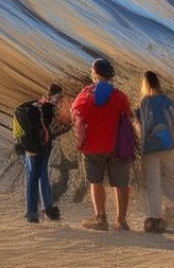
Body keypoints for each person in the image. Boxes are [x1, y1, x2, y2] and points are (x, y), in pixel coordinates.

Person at [71, 57, 133, 231]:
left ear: (96, 74)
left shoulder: (85, 94)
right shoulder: (119, 96)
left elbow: (75, 113)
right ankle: (121, 221)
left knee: (96, 182)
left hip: (92, 147)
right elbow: (127, 115)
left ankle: (101, 219)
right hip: (116, 146)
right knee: (121, 183)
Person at [137, 70, 174, 233]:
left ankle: (154, 219)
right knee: (171, 179)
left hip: (150, 149)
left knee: (152, 183)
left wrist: (141, 148)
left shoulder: (143, 103)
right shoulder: (167, 100)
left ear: (144, 84)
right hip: (170, 146)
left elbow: (141, 128)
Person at [19, 83, 68, 224]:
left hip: (29, 145)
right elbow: (53, 130)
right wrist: (68, 126)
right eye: (59, 96)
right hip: (43, 146)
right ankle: (49, 210)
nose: (60, 100)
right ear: (53, 95)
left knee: (32, 177)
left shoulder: (36, 104)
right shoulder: (50, 108)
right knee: (42, 175)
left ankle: (32, 213)